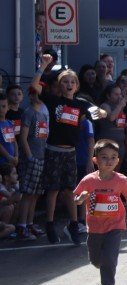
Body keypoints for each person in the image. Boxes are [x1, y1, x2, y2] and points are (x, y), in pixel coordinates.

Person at [30, 54, 102, 245]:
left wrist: (98, 111)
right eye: (65, 82)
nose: (69, 84)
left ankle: (73, 224)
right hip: (53, 150)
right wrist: (43, 65)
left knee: (70, 190)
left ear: (77, 86)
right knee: (53, 190)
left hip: (71, 152)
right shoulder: (54, 101)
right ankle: (50, 223)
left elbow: (100, 113)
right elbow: (35, 87)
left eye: (72, 82)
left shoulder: (81, 104)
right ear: (60, 85)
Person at [73, 140, 127, 285]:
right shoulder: (89, 180)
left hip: (115, 225)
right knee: (95, 259)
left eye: (113, 157)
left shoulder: (121, 180)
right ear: (95, 160)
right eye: (104, 157)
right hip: (94, 227)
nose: (109, 161)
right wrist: (80, 199)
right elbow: (76, 197)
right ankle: (106, 268)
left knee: (109, 257)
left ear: (118, 160)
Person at [17, 87, 48, 240]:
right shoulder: (28, 112)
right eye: (35, 93)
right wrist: (29, 156)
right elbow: (23, 138)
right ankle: (22, 226)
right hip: (32, 158)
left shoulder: (45, 111)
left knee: (36, 194)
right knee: (27, 193)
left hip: (42, 156)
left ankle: (30, 223)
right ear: (30, 95)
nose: (39, 95)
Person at [96, 84, 127, 169]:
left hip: (120, 143)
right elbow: (111, 117)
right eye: (116, 94)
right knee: (107, 169)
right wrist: (120, 105)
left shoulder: (119, 106)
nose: (119, 97)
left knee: (117, 169)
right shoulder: (104, 105)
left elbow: (119, 123)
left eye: (120, 94)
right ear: (108, 95)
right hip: (108, 143)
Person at [0, 92, 18, 168]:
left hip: (11, 163)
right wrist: (8, 157)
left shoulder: (9, 123)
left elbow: (14, 141)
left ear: (8, 107)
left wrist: (16, 156)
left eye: (3, 106)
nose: (1, 109)